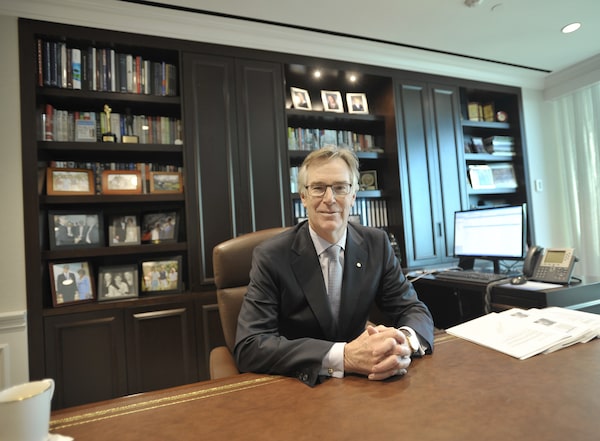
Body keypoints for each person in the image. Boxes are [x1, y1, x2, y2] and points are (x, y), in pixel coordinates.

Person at [235, 146, 434, 386]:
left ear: (353, 195)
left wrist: (404, 342)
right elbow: (250, 345)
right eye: (318, 188)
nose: (329, 199)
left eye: (340, 187)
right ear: (303, 196)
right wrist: (344, 357)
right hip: (300, 385)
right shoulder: (272, 255)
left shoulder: (377, 244)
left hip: (364, 383)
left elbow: (413, 309)